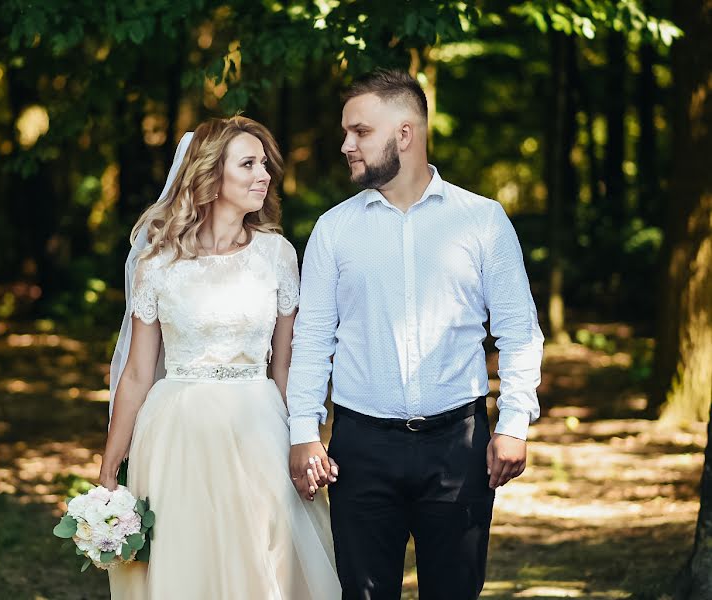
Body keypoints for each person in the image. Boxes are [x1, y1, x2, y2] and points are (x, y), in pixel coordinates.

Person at [287, 69, 545, 600]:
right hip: (360, 450)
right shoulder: (334, 230)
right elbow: (312, 340)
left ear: (404, 134)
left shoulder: (483, 221)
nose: (345, 145)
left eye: (359, 132)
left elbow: (519, 331)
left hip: (460, 446)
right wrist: (303, 432)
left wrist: (515, 422)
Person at [100, 116, 341, 599]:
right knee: (188, 566)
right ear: (211, 176)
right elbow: (137, 373)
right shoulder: (158, 263)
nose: (264, 174)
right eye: (248, 164)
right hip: (175, 435)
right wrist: (110, 465)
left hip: (260, 428)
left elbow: (286, 365)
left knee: (266, 565)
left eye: (264, 164)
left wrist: (307, 438)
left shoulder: (277, 254)